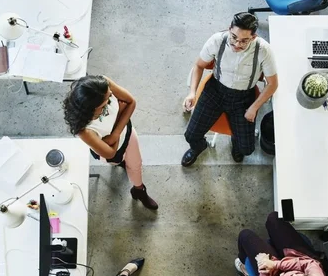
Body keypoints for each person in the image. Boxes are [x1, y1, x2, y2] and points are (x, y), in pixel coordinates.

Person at [181, 12, 279, 166]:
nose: (237, 44)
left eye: (244, 41)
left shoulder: (263, 50)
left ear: (253, 37)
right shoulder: (217, 40)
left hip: (244, 97)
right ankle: (199, 147)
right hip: (216, 90)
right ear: (229, 29)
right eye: (234, 37)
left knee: (246, 149)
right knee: (191, 135)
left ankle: (236, 140)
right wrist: (192, 93)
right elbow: (199, 65)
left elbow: (273, 84)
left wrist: (254, 107)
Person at [63, 75, 158, 210]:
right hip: (115, 150)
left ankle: (139, 190)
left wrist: (113, 136)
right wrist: (120, 114)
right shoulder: (84, 131)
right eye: (105, 104)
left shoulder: (103, 85)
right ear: (90, 109)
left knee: (135, 165)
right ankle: (123, 165)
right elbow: (110, 153)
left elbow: (131, 102)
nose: (110, 100)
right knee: (119, 161)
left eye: (110, 96)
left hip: (127, 133)